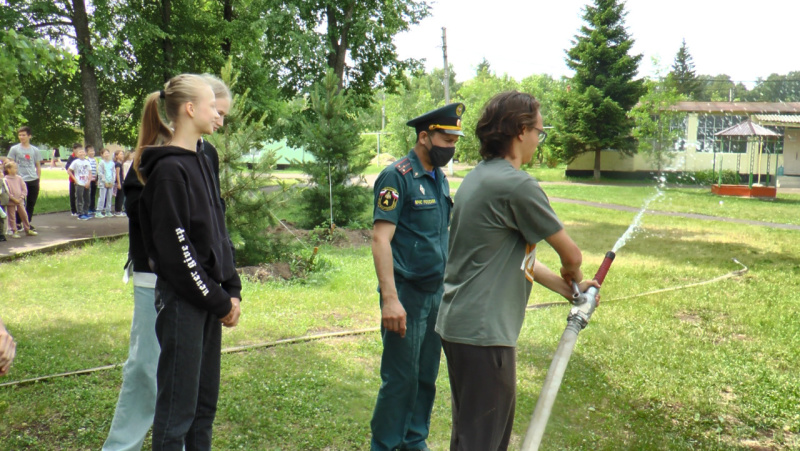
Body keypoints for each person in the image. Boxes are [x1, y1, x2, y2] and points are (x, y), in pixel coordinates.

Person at [435, 91, 597, 450]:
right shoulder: (517, 185)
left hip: (459, 325)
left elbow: (511, 256)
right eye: (540, 130)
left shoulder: (480, 177)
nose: (540, 139)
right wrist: (572, 272)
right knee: (485, 442)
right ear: (521, 131)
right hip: (484, 333)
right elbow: (571, 253)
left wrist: (565, 288)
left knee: (469, 436)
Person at [102, 75, 235, 451]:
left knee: (200, 402)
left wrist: (228, 286)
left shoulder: (203, 156)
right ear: (191, 109)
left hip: (206, 292)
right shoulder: (165, 165)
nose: (219, 119)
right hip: (171, 286)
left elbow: (215, 223)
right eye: (215, 109)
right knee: (155, 379)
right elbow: (171, 239)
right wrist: (203, 285)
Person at [370, 103, 465, 451]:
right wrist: (390, 298)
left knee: (425, 376)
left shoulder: (439, 178)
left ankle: (413, 440)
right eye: (445, 137)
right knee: (400, 378)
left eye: (455, 139)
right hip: (406, 294)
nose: (451, 146)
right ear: (424, 136)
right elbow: (381, 239)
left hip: (436, 294)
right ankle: (385, 445)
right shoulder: (397, 176)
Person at [7, 126, 41, 230]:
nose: (21, 137)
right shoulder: (15, 149)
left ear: (29, 136)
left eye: (24, 135)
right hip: (20, 180)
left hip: (32, 179)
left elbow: (38, 166)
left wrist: (38, 179)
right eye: (20, 135)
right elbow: (9, 164)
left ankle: (27, 223)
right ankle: (17, 223)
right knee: (19, 202)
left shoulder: (35, 150)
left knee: (31, 203)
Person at [3, 160, 39, 237]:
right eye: (14, 168)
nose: (16, 169)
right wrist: (13, 199)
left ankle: (27, 229)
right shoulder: (5, 179)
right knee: (12, 216)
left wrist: (21, 197)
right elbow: (6, 191)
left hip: (20, 201)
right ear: (8, 169)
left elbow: (24, 189)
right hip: (11, 202)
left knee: (24, 215)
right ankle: (14, 230)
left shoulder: (19, 178)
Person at [68, 146, 92, 221]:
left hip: (86, 182)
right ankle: (80, 213)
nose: (81, 153)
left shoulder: (87, 162)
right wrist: (75, 179)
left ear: (85, 153)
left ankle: (85, 212)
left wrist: (88, 181)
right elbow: (69, 170)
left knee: (87, 198)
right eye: (80, 152)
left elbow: (90, 172)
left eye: (83, 152)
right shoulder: (75, 162)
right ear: (77, 154)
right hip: (79, 183)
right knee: (79, 198)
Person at [96, 149, 115, 218]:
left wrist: (112, 181)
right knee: (102, 197)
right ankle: (98, 211)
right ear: (102, 155)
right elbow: (100, 173)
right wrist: (105, 181)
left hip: (110, 182)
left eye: (108, 153)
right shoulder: (101, 163)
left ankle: (108, 211)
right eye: (105, 153)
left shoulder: (112, 163)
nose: (107, 154)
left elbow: (113, 172)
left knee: (109, 197)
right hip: (103, 183)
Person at [65, 144, 80, 216]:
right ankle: (73, 210)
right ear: (74, 149)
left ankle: (80, 209)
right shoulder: (71, 157)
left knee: (80, 195)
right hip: (73, 179)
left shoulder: (81, 158)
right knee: (73, 195)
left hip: (80, 179)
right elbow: (67, 167)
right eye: (78, 149)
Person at [113, 150, 126, 216]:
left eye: (123, 154)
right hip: (119, 181)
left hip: (121, 180)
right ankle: (118, 210)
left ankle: (118, 209)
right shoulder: (117, 164)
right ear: (116, 156)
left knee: (121, 195)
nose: (122, 155)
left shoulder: (120, 163)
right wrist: (119, 183)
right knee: (119, 196)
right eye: (121, 154)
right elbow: (117, 174)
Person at [86, 146, 98, 216]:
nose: (92, 152)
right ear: (87, 152)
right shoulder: (87, 160)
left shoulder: (95, 160)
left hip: (94, 179)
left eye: (93, 151)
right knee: (88, 194)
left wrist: (97, 179)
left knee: (93, 194)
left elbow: (97, 169)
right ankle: (88, 208)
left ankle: (92, 207)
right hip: (88, 179)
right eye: (90, 151)